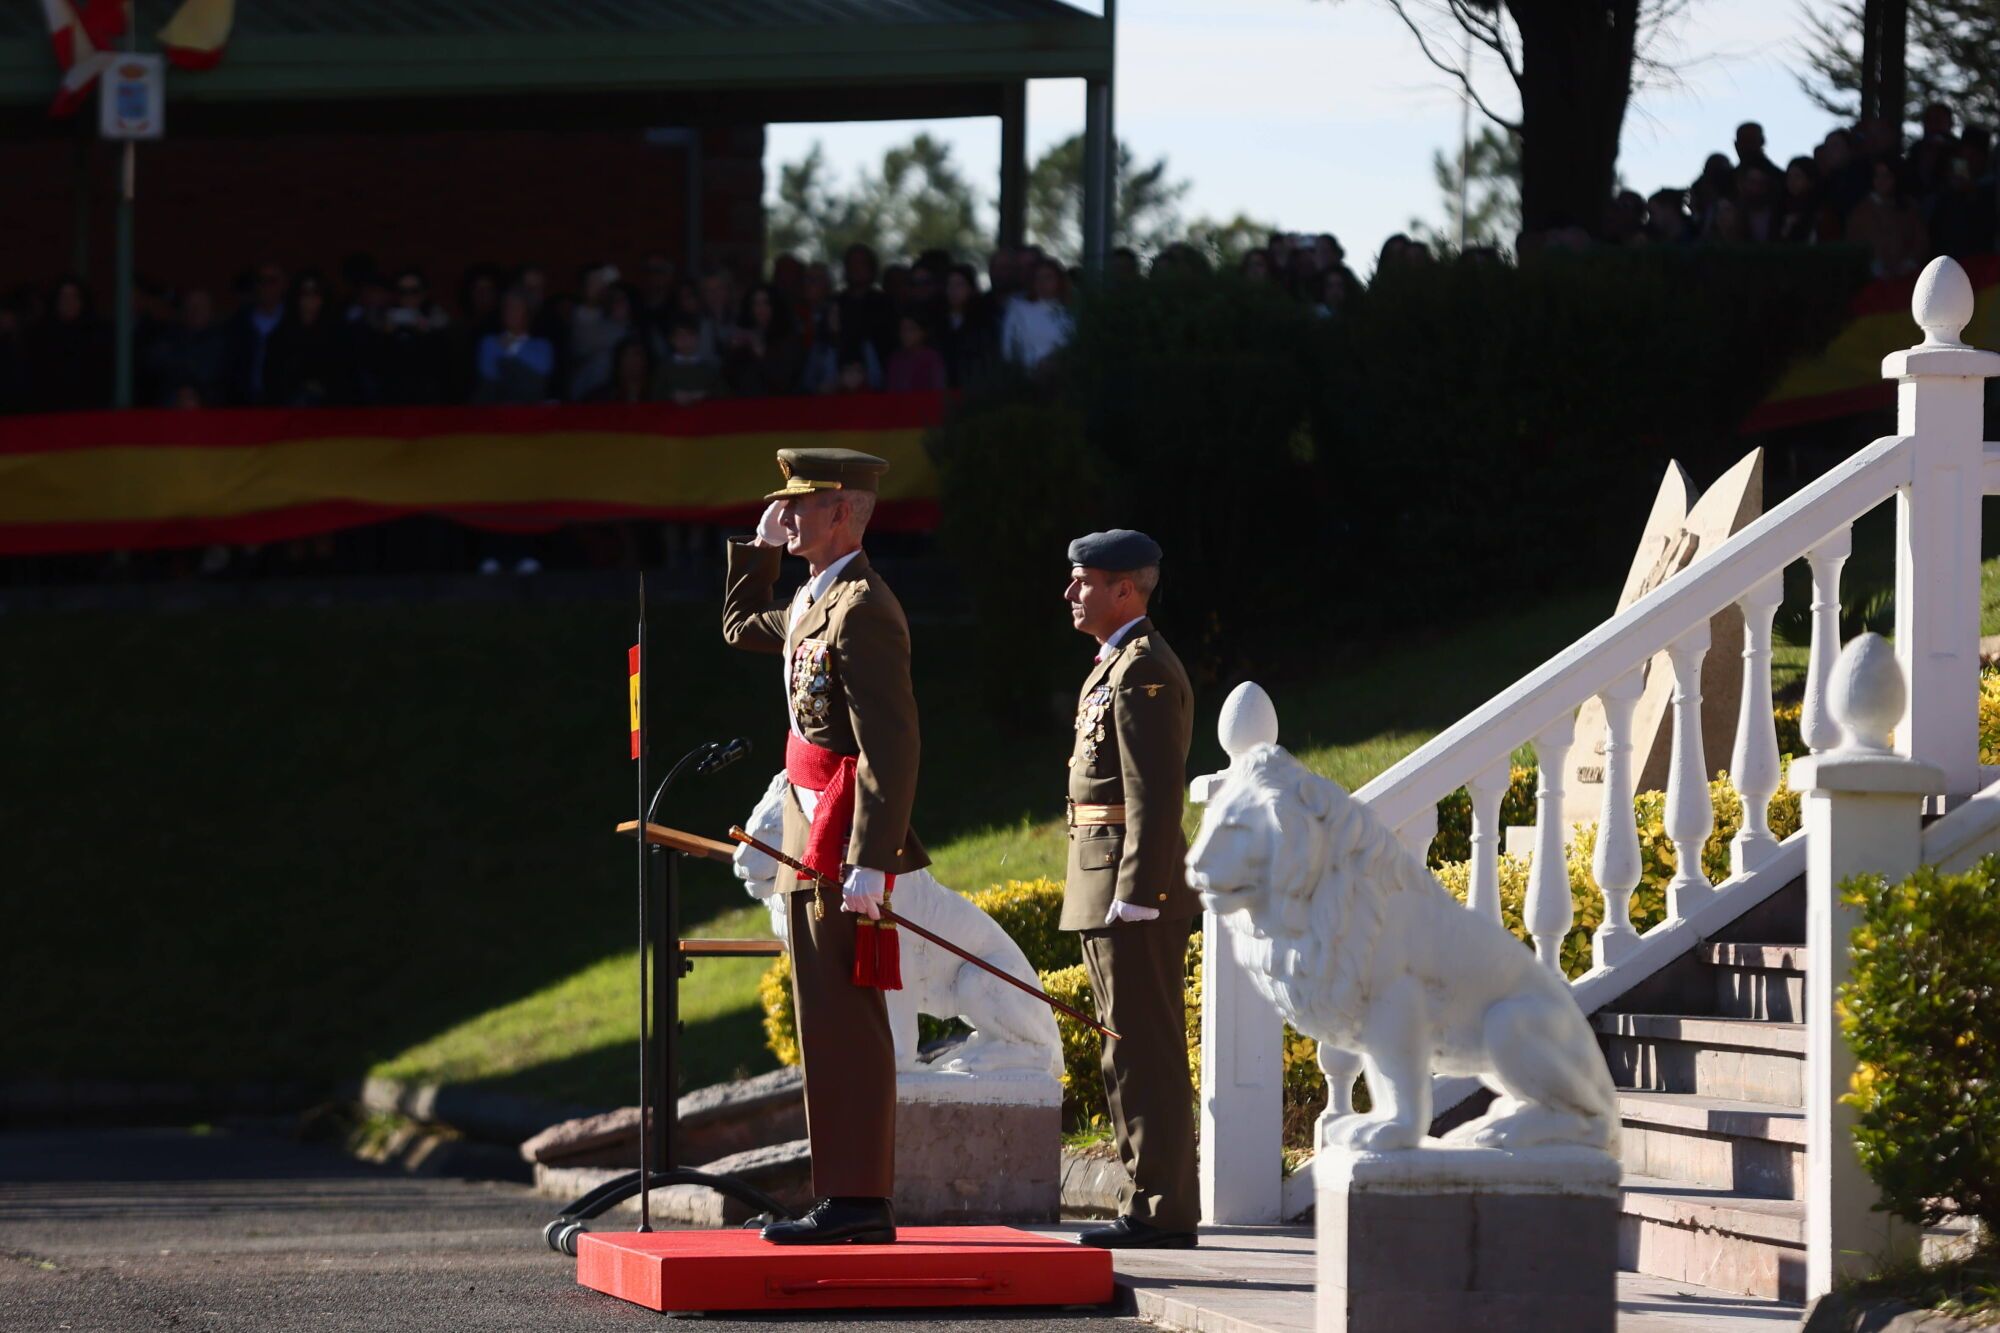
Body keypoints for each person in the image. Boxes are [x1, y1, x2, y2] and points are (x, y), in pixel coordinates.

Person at [722, 447, 927, 1246]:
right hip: (810, 827)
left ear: (845, 511)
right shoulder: (817, 596)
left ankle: (860, 1199)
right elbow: (741, 626)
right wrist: (760, 550)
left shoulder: (863, 606)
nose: (789, 513)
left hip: (841, 834)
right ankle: (843, 1191)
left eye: (803, 503)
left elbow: (891, 745)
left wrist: (872, 858)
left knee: (847, 1021)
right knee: (824, 1019)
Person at [1059, 529, 1199, 1251]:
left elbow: (1155, 791)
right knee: (1125, 1048)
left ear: (1124, 588)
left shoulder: (1143, 667)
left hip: (1128, 887)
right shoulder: (1117, 662)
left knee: (1145, 1049)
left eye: (1084, 581)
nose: (1070, 592)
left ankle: (1163, 1208)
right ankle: (1150, 1200)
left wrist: (1140, 889)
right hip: (1104, 878)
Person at [472, 289, 556, 403]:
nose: (510, 313)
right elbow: (489, 375)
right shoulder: (489, 342)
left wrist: (511, 347)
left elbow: (542, 371)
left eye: (516, 308)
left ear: (528, 314)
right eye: (507, 308)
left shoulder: (542, 346)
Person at [1000, 258, 1073, 373]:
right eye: (1038, 278)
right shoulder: (1018, 308)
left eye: (1048, 277)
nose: (1042, 283)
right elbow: (1008, 348)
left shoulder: (1070, 310)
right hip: (1028, 373)